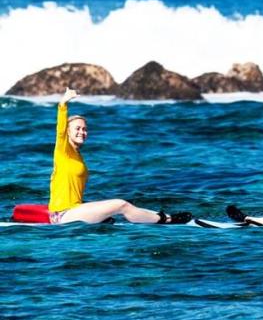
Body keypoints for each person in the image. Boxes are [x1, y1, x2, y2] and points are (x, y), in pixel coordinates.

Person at [48, 87, 191, 225]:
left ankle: (163, 216)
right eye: (77, 128)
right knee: (121, 204)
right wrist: (63, 103)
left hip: (75, 209)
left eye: (85, 129)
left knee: (120, 207)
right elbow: (60, 130)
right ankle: (166, 220)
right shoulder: (62, 150)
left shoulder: (77, 155)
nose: (82, 132)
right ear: (67, 132)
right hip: (63, 214)